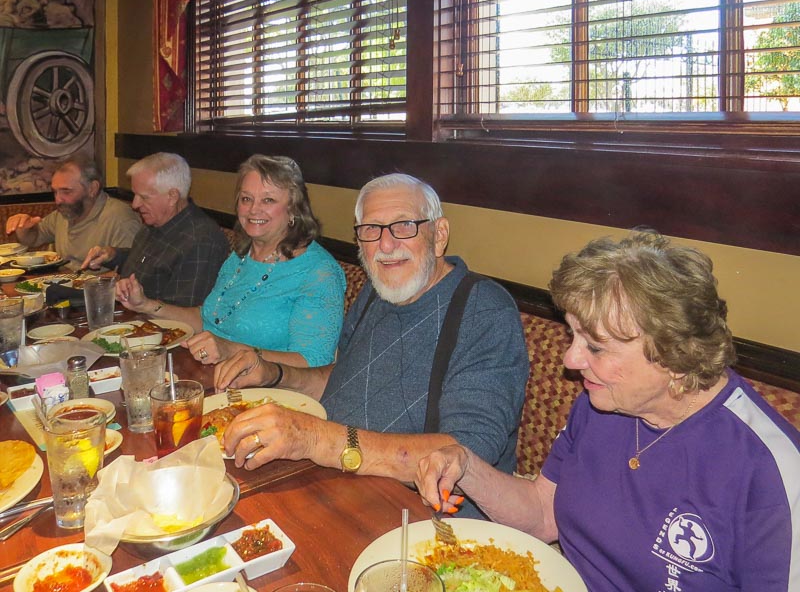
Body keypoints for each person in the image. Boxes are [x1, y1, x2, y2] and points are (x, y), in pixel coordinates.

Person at [415, 231, 800, 591]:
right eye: (572, 335)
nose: (570, 358)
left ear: (674, 356)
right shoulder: (602, 404)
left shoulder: (771, 472)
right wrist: (465, 465)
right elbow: (542, 515)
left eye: (596, 347)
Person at [214, 173, 528, 518]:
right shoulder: (377, 292)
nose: (386, 245)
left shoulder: (483, 310)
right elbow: (344, 378)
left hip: (422, 518)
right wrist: (274, 374)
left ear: (439, 236)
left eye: (404, 226)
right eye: (371, 230)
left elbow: (466, 454)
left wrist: (316, 440)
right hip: (334, 483)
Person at [112, 155, 346, 368]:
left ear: (294, 209)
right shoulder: (240, 258)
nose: (254, 209)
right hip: (210, 376)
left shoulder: (318, 272)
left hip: (270, 397)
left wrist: (232, 351)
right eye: (246, 199)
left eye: (268, 200)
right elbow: (208, 320)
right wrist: (144, 304)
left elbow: (315, 361)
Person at [81, 152, 229, 307]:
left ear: (172, 196)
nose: (135, 204)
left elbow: (183, 315)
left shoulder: (201, 241)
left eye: (144, 197)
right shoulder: (157, 223)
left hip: (155, 326)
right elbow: (152, 266)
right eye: (135, 195)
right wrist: (113, 255)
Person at [5, 156, 141, 269]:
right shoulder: (66, 213)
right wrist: (23, 229)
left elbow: (130, 271)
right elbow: (35, 238)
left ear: (92, 189)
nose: (58, 200)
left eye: (66, 191)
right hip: (61, 289)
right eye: (55, 192)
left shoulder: (121, 219)